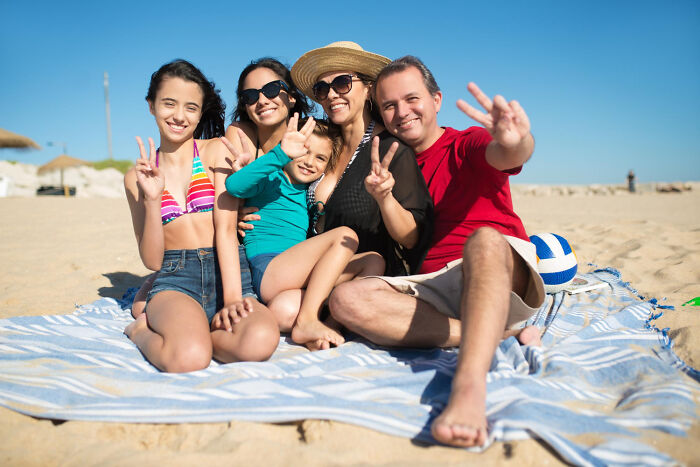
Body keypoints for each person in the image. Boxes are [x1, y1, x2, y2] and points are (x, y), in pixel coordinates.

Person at [328, 56, 546, 447]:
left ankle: (468, 387)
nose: (401, 112)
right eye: (390, 105)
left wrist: (517, 141)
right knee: (346, 299)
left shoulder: (465, 143)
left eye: (412, 99)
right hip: (433, 288)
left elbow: (508, 153)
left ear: (436, 100)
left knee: (483, 239)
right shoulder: (390, 162)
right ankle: (496, 335)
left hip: (496, 271)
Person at [123, 59, 279, 373]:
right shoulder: (135, 177)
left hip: (230, 271)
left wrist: (233, 298)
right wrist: (153, 200)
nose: (179, 116)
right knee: (189, 359)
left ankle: (200, 334)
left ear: (200, 111)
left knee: (260, 341)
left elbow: (225, 230)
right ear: (151, 106)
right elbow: (153, 261)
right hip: (176, 279)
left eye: (191, 107)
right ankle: (141, 332)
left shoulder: (214, 152)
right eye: (169, 104)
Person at [132, 57, 313, 321]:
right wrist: (236, 211)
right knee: (143, 307)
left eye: (273, 89)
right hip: (242, 252)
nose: (262, 100)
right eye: (250, 96)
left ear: (293, 96)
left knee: (283, 315)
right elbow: (231, 193)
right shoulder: (240, 135)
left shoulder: (315, 137)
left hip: (278, 254)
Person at [225, 114, 385, 350]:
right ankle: (309, 319)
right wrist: (280, 155)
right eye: (303, 151)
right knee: (345, 236)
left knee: (373, 261)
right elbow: (234, 185)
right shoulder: (271, 176)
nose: (310, 162)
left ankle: (330, 326)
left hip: (291, 283)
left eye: (321, 158)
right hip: (269, 268)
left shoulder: (308, 192)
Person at [287, 41, 433, 278]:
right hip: (310, 272)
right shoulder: (319, 145)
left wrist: (385, 199)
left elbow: (411, 238)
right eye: (322, 89)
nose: (332, 94)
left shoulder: (391, 150)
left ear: (368, 89)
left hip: (361, 280)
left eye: (342, 83)